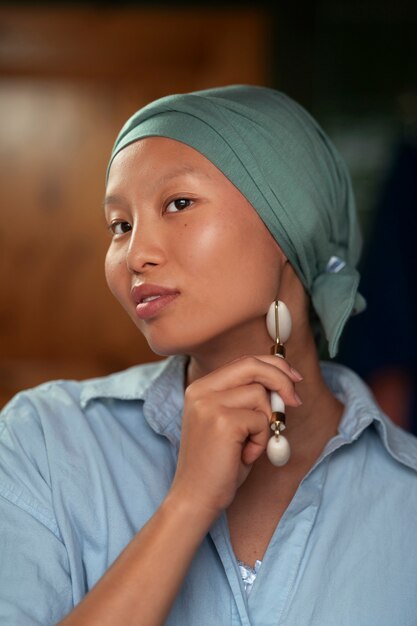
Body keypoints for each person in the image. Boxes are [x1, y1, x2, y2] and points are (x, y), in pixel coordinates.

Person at [1, 85, 417, 626]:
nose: (135, 254)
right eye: (119, 226)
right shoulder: (45, 444)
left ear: (293, 222)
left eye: (178, 204)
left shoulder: (404, 493)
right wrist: (187, 505)